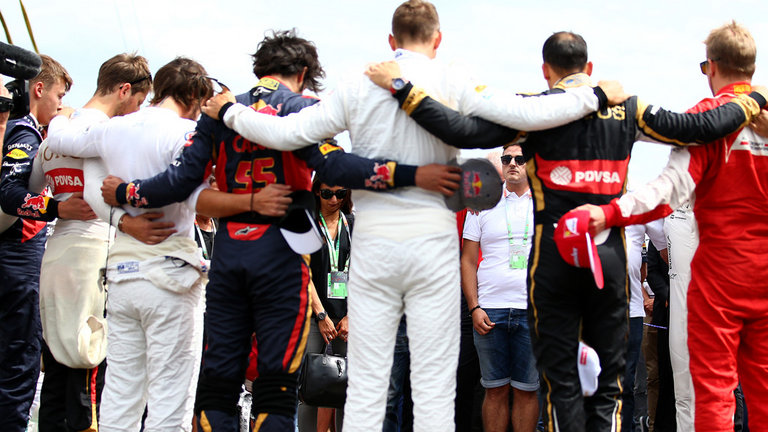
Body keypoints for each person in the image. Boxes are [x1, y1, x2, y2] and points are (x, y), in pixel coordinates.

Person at [200, 2, 627, 429]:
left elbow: (285, 133)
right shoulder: (452, 77)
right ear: (437, 40)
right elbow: (528, 114)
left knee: (367, 384)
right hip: (432, 247)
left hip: (374, 247)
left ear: (391, 41)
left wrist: (230, 112)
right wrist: (596, 95)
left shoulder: (358, 83)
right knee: (433, 386)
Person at [362, 30, 768, 431]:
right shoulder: (627, 107)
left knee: (561, 387)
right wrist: (753, 98)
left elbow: (460, 131)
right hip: (606, 264)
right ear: (589, 69)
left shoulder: (531, 114)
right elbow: (698, 128)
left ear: (545, 72)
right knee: (608, 389)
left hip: (552, 263)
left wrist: (401, 87)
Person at [98, 29, 458, 432]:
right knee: (275, 390)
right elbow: (337, 168)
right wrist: (410, 174)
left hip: (229, 255)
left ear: (260, 68)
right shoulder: (301, 107)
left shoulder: (219, 109)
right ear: (303, 72)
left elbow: (180, 182)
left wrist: (127, 191)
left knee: (217, 387)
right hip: (281, 257)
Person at [578, 21, 768, 431]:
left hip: (719, 280)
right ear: (751, 68)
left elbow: (666, 191)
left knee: (714, 396)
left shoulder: (709, 119)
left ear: (710, 67)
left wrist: (609, 212)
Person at [45, 57, 216, 432]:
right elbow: (196, 193)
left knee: (120, 395)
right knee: (170, 401)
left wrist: (61, 113)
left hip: (122, 276)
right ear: (193, 96)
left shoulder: (113, 129)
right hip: (171, 273)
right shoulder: (186, 134)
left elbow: (58, 137)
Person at [30, 53, 160, 432]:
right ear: (124, 90)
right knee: (91, 362)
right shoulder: (109, 135)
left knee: (55, 364)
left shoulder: (54, 135)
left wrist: (58, 206)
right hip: (98, 255)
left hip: (55, 255)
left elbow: (29, 191)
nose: (135, 110)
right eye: (137, 101)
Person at [0, 54, 75, 432]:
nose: (61, 105)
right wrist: (59, 209)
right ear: (38, 89)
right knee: (19, 358)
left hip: (18, 256)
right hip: (16, 256)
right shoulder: (24, 132)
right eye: (59, 96)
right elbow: (10, 193)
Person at [461, 143, 538, 432]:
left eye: (520, 158)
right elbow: (467, 261)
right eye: (507, 159)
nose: (513, 163)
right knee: (494, 389)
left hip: (530, 310)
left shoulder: (544, 204)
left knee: (527, 390)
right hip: (489, 311)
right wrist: (474, 307)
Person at [298, 179, 354, 432]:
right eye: (327, 193)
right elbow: (303, 272)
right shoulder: (307, 223)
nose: (334, 199)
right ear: (316, 192)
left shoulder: (353, 225)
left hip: (348, 320)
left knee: (348, 389)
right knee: (310, 385)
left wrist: (351, 316)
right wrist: (320, 315)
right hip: (313, 316)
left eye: (340, 193)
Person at [623, 219, 665, 432]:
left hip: (635, 310)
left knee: (630, 380)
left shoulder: (638, 207)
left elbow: (663, 255)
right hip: (594, 312)